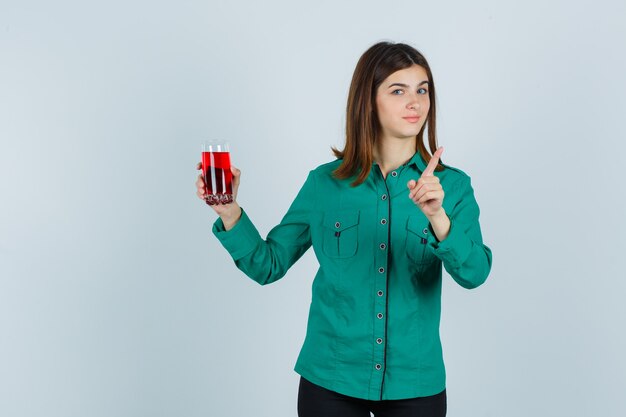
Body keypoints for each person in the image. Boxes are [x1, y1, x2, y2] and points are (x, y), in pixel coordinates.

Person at [196, 41, 493, 417]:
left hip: (415, 383)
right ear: (369, 101)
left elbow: (475, 274)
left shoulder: (453, 187)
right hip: (331, 380)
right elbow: (267, 264)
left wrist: (438, 217)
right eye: (398, 91)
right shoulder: (325, 184)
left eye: (422, 90)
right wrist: (229, 212)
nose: (415, 102)